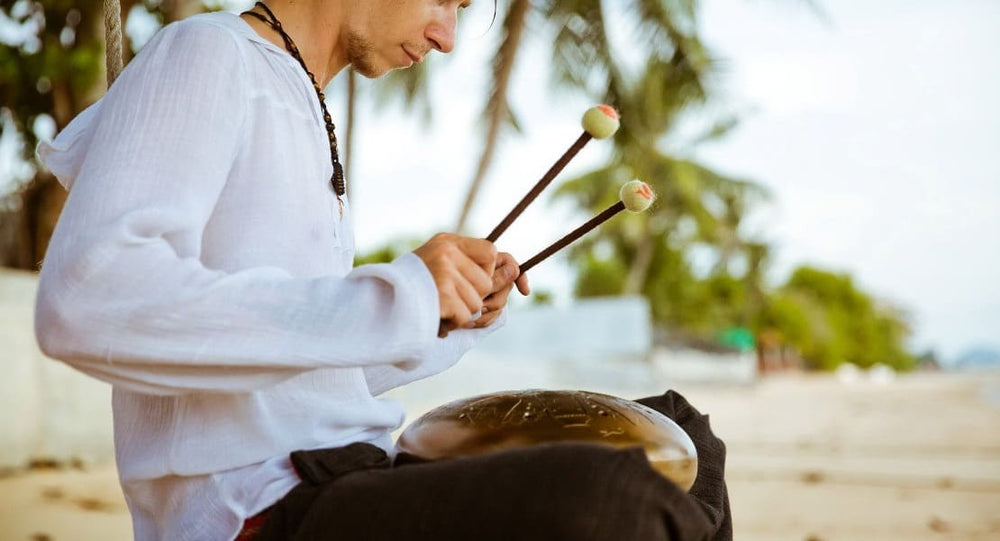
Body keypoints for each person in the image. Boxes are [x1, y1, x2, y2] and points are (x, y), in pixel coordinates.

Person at [35, 0, 730, 539]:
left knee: (684, 431)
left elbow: (287, 371)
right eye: (447, 2)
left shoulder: (304, 103)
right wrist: (399, 298)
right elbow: (87, 296)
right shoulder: (209, 53)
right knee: (616, 497)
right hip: (261, 510)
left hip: (347, 470)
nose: (447, 37)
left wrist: (440, 316)